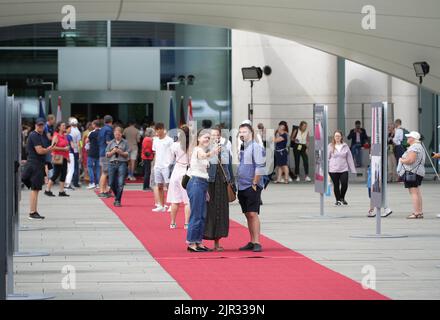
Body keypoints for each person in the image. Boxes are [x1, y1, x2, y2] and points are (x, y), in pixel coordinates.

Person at [186, 129, 220, 252]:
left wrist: (206, 191)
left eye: (209, 138)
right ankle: (191, 242)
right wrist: (213, 152)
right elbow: (203, 156)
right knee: (196, 215)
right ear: (199, 139)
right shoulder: (197, 150)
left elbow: (204, 171)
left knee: (202, 215)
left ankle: (198, 242)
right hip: (196, 182)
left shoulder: (203, 150)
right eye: (205, 137)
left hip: (202, 184)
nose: (207, 139)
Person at [237, 123, 266, 252]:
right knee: (248, 214)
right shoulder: (244, 147)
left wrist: (255, 183)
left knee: (253, 213)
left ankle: (257, 242)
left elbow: (260, 167)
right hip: (242, 186)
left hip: (251, 185)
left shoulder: (256, 147)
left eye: (245, 132)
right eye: (240, 132)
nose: (242, 134)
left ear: (251, 133)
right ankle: (252, 240)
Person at [204, 126, 233, 251]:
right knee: (208, 211)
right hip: (209, 182)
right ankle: (200, 241)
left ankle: (217, 242)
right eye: (212, 135)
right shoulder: (205, 149)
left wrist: (232, 183)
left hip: (221, 182)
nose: (215, 137)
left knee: (220, 211)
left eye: (217, 135)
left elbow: (229, 166)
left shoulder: (225, 149)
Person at [21, 118, 54, 219]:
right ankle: (32, 212)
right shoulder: (34, 135)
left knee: (36, 189)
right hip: (34, 164)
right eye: (39, 125)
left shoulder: (39, 135)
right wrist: (49, 149)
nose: (41, 127)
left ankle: (34, 211)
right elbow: (39, 151)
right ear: (35, 125)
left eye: (42, 125)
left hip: (37, 164)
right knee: (34, 189)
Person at [397, 131, 426, 219]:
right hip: (417, 172)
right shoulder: (418, 146)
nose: (407, 139)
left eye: (409, 137)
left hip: (412, 172)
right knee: (417, 192)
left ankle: (416, 212)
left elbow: (410, 160)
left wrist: (402, 160)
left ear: (413, 139)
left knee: (413, 192)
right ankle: (419, 212)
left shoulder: (414, 147)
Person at [167, 126, 191, 229]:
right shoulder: (192, 146)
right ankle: (186, 223)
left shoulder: (174, 145)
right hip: (187, 173)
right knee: (187, 201)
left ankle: (172, 222)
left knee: (174, 200)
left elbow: (170, 160)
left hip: (176, 171)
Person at [328, 130, 356, 206]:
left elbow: (349, 158)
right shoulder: (330, 146)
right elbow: (327, 158)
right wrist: (325, 169)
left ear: (341, 137)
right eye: (336, 136)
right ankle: (338, 200)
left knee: (344, 184)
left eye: (338, 136)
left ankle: (342, 197)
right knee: (336, 185)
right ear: (334, 137)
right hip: (333, 169)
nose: (337, 137)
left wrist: (352, 169)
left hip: (344, 169)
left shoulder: (345, 146)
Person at [152, 123, 174, 212]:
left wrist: (171, 164)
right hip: (158, 166)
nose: (157, 131)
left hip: (166, 166)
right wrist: (154, 164)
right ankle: (161, 205)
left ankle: (172, 204)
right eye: (156, 130)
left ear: (163, 129)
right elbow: (155, 153)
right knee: (159, 186)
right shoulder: (155, 140)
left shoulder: (169, 140)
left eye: (159, 129)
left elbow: (173, 153)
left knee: (169, 186)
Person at [44, 122, 70, 197]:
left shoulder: (64, 136)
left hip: (64, 157)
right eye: (63, 125)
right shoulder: (56, 136)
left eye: (65, 125)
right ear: (59, 127)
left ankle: (61, 191)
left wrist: (67, 156)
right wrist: (63, 149)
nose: (65, 127)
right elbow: (52, 147)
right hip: (58, 157)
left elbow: (67, 147)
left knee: (64, 174)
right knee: (56, 174)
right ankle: (47, 190)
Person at [106, 127, 130, 207]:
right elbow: (107, 155)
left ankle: (117, 200)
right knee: (111, 182)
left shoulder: (125, 142)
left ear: (121, 134)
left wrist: (120, 152)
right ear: (114, 134)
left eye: (118, 134)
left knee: (120, 183)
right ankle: (117, 195)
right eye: (115, 134)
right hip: (112, 163)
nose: (117, 136)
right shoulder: (111, 143)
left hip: (122, 163)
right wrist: (113, 151)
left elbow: (127, 154)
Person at [98, 115, 114, 198]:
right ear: (111, 121)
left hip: (101, 152)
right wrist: (115, 146)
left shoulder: (101, 129)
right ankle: (101, 191)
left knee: (104, 172)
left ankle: (104, 190)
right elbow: (108, 141)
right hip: (106, 153)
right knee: (105, 173)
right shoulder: (109, 129)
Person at [69, 117, 82, 188]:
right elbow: (80, 142)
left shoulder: (68, 131)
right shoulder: (78, 132)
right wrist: (81, 152)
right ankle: (75, 182)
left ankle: (68, 181)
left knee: (69, 167)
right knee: (75, 167)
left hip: (68, 150)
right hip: (75, 151)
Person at [42, 114, 55, 183]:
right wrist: (56, 138)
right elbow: (49, 137)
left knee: (49, 163)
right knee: (47, 163)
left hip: (49, 147)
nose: (54, 121)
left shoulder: (51, 127)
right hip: (46, 147)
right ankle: (46, 179)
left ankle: (49, 178)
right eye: (53, 120)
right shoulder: (46, 127)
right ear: (50, 120)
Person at [64, 124, 76, 190]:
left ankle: (66, 183)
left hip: (64, 154)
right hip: (70, 153)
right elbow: (72, 146)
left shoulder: (63, 136)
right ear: (66, 129)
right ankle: (67, 184)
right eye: (69, 129)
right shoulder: (69, 136)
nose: (70, 130)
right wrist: (76, 145)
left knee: (67, 169)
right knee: (71, 169)